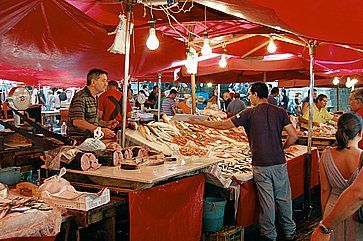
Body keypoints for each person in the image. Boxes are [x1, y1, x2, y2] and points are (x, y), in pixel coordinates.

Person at [188, 82, 298, 241]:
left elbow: (224, 125)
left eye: (250, 94)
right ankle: (289, 232)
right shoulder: (280, 112)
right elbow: (293, 136)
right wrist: (283, 147)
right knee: (284, 198)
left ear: (255, 94)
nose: (248, 97)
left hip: (260, 164)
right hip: (279, 163)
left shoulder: (249, 113)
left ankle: (269, 235)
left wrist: (200, 122)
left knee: (267, 202)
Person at [318, 113, 363, 241]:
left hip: (332, 211)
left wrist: (325, 218)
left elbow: (325, 190)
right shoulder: (362, 156)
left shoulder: (326, 154)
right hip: (355, 213)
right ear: (360, 133)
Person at [311, 169, 363, 241]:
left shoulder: (325, 159)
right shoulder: (358, 158)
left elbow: (325, 189)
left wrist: (324, 224)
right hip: (353, 210)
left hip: (333, 209)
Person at [68, 68, 115, 139]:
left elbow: (93, 120)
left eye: (106, 81)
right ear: (93, 82)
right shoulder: (81, 97)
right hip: (79, 139)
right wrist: (100, 130)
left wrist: (106, 124)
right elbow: (77, 122)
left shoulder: (95, 97)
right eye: (103, 81)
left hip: (91, 138)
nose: (106, 84)